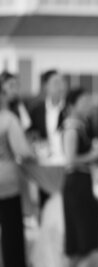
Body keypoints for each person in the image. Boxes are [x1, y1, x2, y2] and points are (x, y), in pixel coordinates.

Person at [62, 87, 98, 267]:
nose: (88, 106)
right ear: (72, 105)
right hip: (75, 185)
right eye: (83, 103)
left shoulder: (83, 125)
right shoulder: (72, 128)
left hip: (83, 182)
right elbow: (70, 160)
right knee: (80, 237)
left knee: (85, 237)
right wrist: (94, 155)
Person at [0, 74, 36, 267]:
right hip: (6, 179)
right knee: (11, 228)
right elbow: (22, 150)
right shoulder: (8, 119)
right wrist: (33, 153)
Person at [29, 69, 67, 208]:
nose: (61, 86)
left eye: (62, 82)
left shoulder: (70, 109)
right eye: (56, 83)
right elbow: (31, 136)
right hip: (45, 167)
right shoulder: (36, 110)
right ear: (46, 86)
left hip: (67, 166)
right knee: (46, 207)